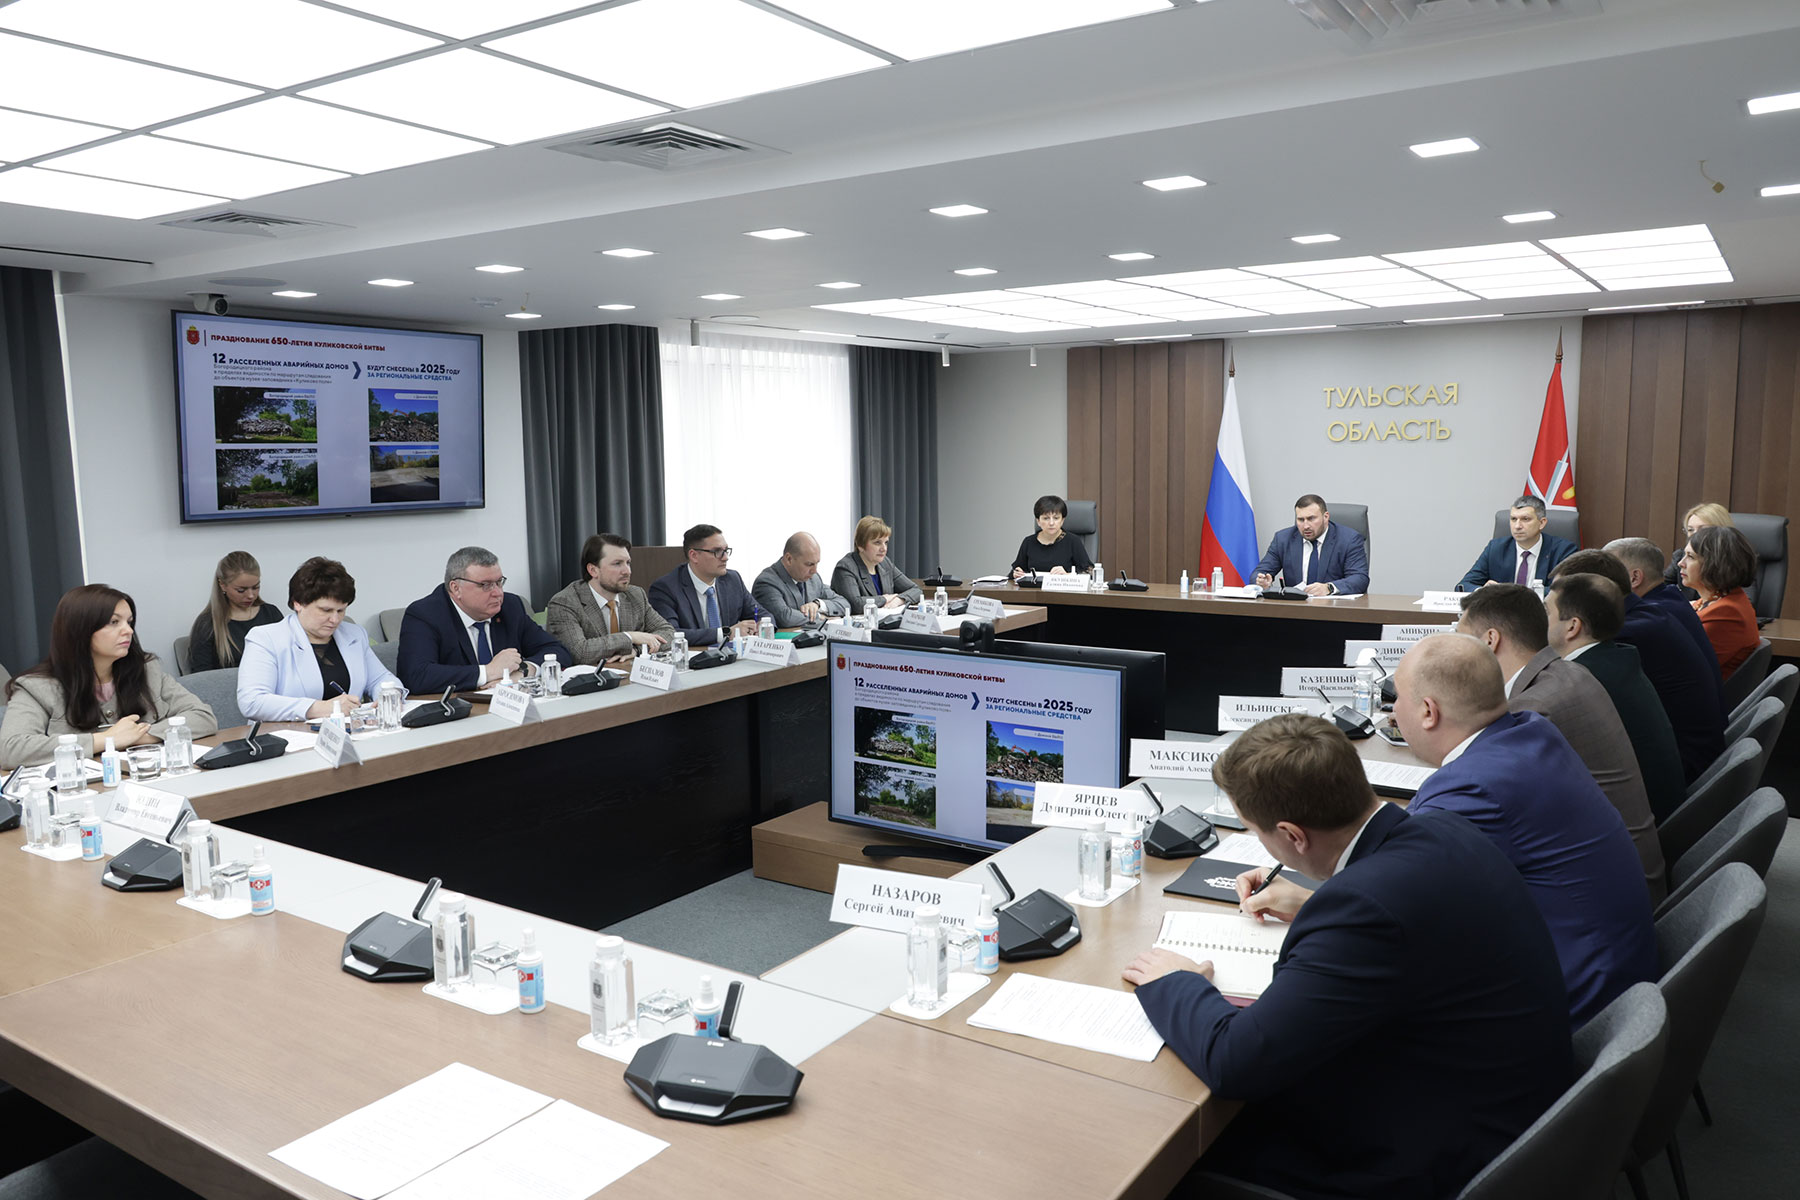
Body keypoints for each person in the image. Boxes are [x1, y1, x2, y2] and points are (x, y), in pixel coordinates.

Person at [1123, 713, 1570, 1200]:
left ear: (1293, 835)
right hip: (1508, 1115)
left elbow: (1237, 1063)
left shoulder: (1365, 910)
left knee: (1163, 1153)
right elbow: (1411, 922)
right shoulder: (1442, 830)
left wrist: (1177, 981)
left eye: (1257, 833)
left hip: (1427, 1161)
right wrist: (1316, 903)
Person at [1390, 634, 1657, 1023]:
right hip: (1617, 977)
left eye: (1397, 697)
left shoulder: (1474, 788)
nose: (1393, 711)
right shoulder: (1532, 730)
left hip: (1579, 1011)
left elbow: (1388, 894)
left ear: (1429, 712)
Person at [1458, 585, 1665, 902]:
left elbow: (1487, 812)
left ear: (1490, 640)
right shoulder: (1568, 672)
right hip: (1629, 873)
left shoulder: (1533, 709)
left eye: (1461, 640)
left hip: (1605, 895)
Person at [2, 585, 217, 769]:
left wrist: (139, 736)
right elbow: (11, 749)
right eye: (114, 622)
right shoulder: (37, 687)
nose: (128, 631)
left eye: (129, 622)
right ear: (80, 629)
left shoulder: (147, 670)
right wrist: (106, 739)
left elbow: (203, 717)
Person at [1545, 572, 1687, 824]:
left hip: (1639, 825)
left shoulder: (1582, 682)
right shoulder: (1614, 658)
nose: (1539, 619)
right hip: (1660, 811)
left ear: (1572, 627)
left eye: (1546, 611)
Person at [1595, 541, 1726, 781]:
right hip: (1700, 748)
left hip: (1684, 764)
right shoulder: (1668, 601)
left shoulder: (1643, 624)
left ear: (1634, 578)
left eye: (1603, 573)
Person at [236, 558, 403, 723]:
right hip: (287, 734)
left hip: (351, 732)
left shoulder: (354, 634)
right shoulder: (266, 638)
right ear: (298, 603)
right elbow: (252, 702)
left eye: (341, 610)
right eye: (326, 610)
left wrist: (389, 696)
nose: (335, 619)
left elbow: (381, 679)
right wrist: (320, 708)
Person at [396, 547, 568, 694]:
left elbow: (557, 651)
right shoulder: (426, 615)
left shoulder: (510, 606)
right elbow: (416, 676)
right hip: (457, 712)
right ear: (456, 588)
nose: (498, 593)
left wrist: (523, 672)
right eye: (485, 585)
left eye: (499, 582)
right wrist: (488, 672)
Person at [545, 533, 674, 665]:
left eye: (628, 563)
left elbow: (669, 633)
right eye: (617, 564)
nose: (627, 571)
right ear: (593, 570)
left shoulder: (635, 595)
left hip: (628, 673)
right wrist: (630, 637)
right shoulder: (564, 603)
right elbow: (579, 652)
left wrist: (637, 650)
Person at [647, 524, 760, 647]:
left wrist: (761, 626)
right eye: (717, 551)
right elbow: (670, 634)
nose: (725, 557)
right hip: (693, 656)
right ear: (694, 556)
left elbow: (761, 614)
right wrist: (725, 633)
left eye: (726, 550)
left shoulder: (732, 580)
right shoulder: (665, 588)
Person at [1681, 524, 1761, 681]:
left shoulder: (1727, 612)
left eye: (1690, 557)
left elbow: (1681, 666)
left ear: (1714, 564)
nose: (1681, 563)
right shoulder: (1712, 600)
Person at [1251, 493, 1368, 596]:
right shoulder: (1283, 539)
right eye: (1301, 520)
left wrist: (1329, 588)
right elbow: (1258, 573)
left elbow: (1360, 579)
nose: (1306, 526)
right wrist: (1261, 581)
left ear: (1326, 517)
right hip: (1295, 609)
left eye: (1311, 519)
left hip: (1334, 609)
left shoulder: (1349, 539)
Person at [185, 550, 282, 672]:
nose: (251, 595)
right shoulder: (208, 624)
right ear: (222, 585)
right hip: (227, 684)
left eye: (256, 587)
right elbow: (201, 677)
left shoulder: (271, 614)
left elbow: (290, 658)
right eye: (241, 590)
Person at [1456, 494, 1577, 590]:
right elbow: (1464, 585)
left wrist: (1514, 594)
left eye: (1525, 519)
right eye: (1513, 519)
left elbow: (1567, 590)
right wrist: (1483, 591)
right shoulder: (1496, 548)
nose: (1517, 526)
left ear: (1542, 523)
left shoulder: (1564, 551)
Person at [752, 532, 851, 627]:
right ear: (789, 559)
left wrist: (818, 604)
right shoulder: (766, 582)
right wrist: (820, 617)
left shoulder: (814, 579)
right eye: (809, 564)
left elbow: (845, 605)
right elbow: (784, 617)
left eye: (817, 563)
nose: (814, 570)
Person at [831, 516, 923, 608]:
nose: (884, 548)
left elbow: (916, 590)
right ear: (860, 545)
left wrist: (898, 600)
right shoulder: (845, 568)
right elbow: (856, 604)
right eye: (877, 543)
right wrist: (885, 599)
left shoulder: (885, 563)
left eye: (886, 542)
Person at [1009, 495, 1093, 578]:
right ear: (1038, 521)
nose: (1051, 523)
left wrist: (1067, 575)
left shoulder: (1073, 541)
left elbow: (1089, 572)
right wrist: (1016, 574)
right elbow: (1015, 571)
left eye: (1056, 518)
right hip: (1035, 587)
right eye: (1046, 518)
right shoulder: (1029, 542)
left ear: (1062, 520)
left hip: (1063, 586)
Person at [1664, 501, 1733, 592]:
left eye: (1703, 529)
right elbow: (1659, 587)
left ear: (1721, 530)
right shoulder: (1680, 557)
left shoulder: (1735, 560)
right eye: (1690, 530)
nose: (1695, 535)